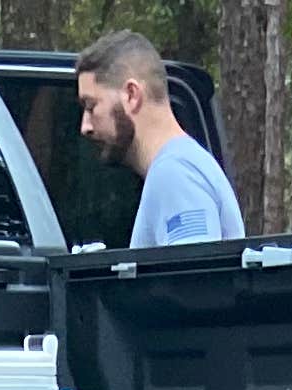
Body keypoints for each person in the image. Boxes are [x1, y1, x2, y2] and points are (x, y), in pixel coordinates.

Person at [75, 31, 243, 248]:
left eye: (91, 106)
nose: (85, 127)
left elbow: (196, 278)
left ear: (131, 95)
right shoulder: (178, 166)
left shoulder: (175, 174)